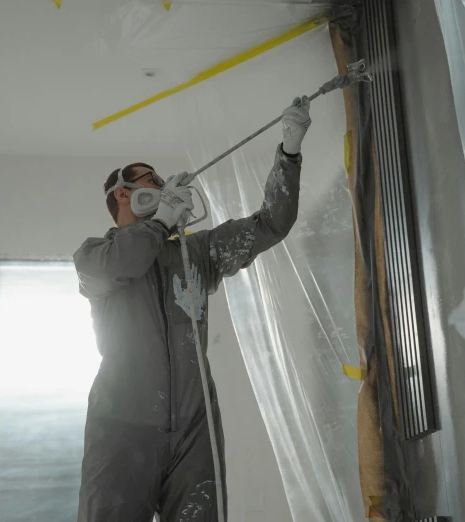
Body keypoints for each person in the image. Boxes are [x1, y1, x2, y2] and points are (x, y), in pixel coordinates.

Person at [74, 97, 312, 522]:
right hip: (123, 426)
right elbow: (126, 264)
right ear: (124, 193)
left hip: (193, 426)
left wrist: (289, 153)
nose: (165, 188)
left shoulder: (195, 252)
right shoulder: (95, 257)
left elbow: (270, 225)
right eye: (153, 182)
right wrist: (159, 223)